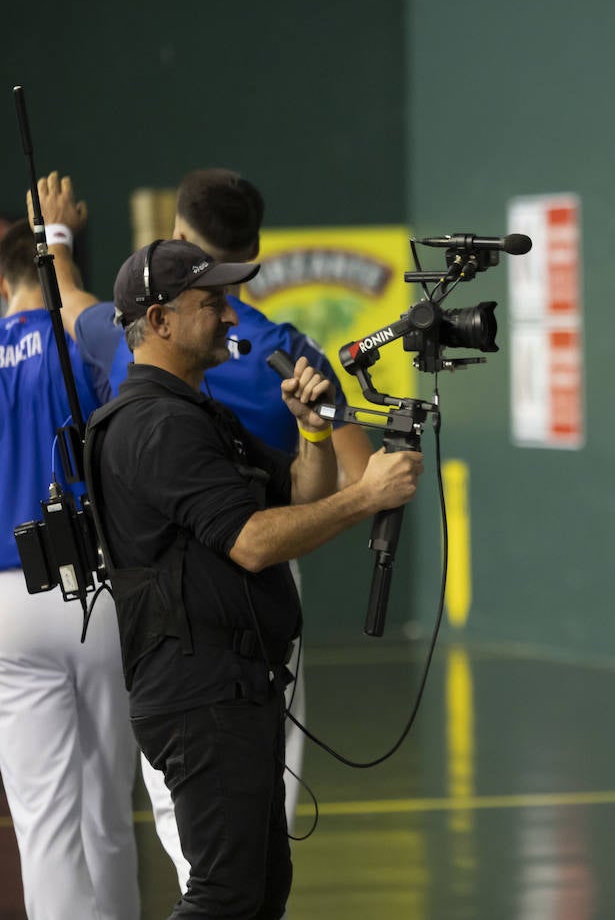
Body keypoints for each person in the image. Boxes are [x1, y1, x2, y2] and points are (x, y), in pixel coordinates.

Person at [87, 238, 422, 918]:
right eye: (212, 305)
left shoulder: (196, 415)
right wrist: (366, 496)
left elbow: (296, 495)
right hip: (200, 694)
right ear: (159, 321)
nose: (232, 318)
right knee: (225, 895)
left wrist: (316, 434)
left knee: (260, 888)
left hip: (236, 688)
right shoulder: (155, 427)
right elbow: (251, 544)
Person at [0, 176, 140, 920]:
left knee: (44, 826)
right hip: (96, 588)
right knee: (108, 813)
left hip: (6, 603)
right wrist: (62, 246)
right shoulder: (80, 340)